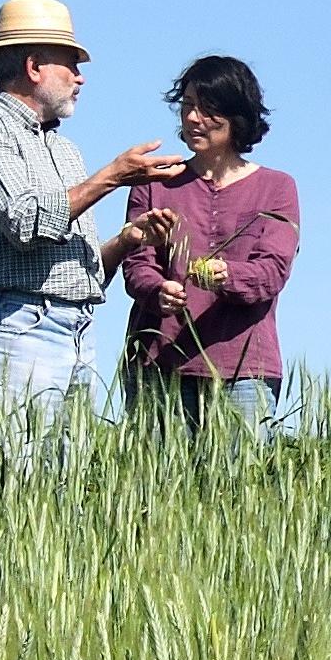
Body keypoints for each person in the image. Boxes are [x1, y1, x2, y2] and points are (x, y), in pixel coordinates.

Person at [0, 0, 182, 431]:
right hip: (18, 326)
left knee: (60, 488)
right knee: (14, 477)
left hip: (77, 329)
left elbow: (82, 272)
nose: (80, 78)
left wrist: (127, 241)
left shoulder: (65, 150)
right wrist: (112, 176)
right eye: (71, 63)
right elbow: (26, 224)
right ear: (34, 67)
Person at [110, 55, 301, 439]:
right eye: (187, 107)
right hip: (157, 365)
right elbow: (136, 263)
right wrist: (156, 289)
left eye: (208, 109)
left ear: (237, 117)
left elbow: (272, 272)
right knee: (156, 491)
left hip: (244, 371)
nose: (193, 118)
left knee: (234, 492)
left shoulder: (277, 188)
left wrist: (226, 276)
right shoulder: (154, 182)